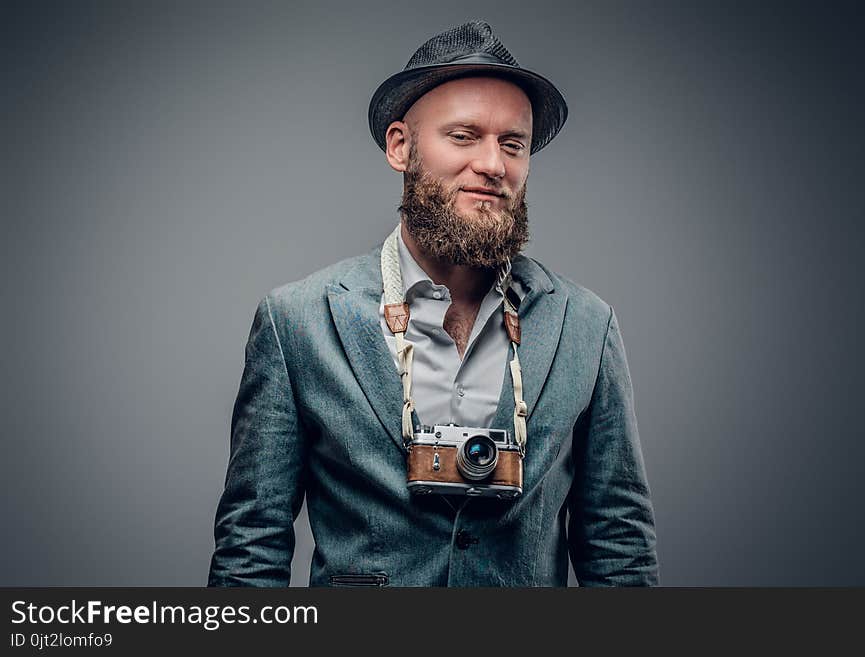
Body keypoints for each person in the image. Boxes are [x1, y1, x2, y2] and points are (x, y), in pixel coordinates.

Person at [208, 20, 658, 587]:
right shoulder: (296, 321)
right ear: (401, 146)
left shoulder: (588, 327)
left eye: (512, 144)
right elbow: (251, 546)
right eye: (465, 136)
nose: (493, 165)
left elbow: (619, 546)